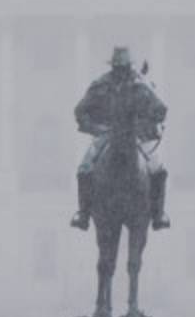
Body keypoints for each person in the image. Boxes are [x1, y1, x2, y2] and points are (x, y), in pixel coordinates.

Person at [70, 46, 170, 231]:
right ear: (113, 68)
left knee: (159, 169)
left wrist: (147, 126)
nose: (123, 73)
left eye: (125, 68)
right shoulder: (101, 85)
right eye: (119, 68)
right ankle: (83, 214)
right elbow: (80, 111)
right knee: (85, 168)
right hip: (106, 135)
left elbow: (161, 109)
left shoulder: (140, 84)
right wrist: (97, 129)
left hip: (138, 136)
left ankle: (158, 214)